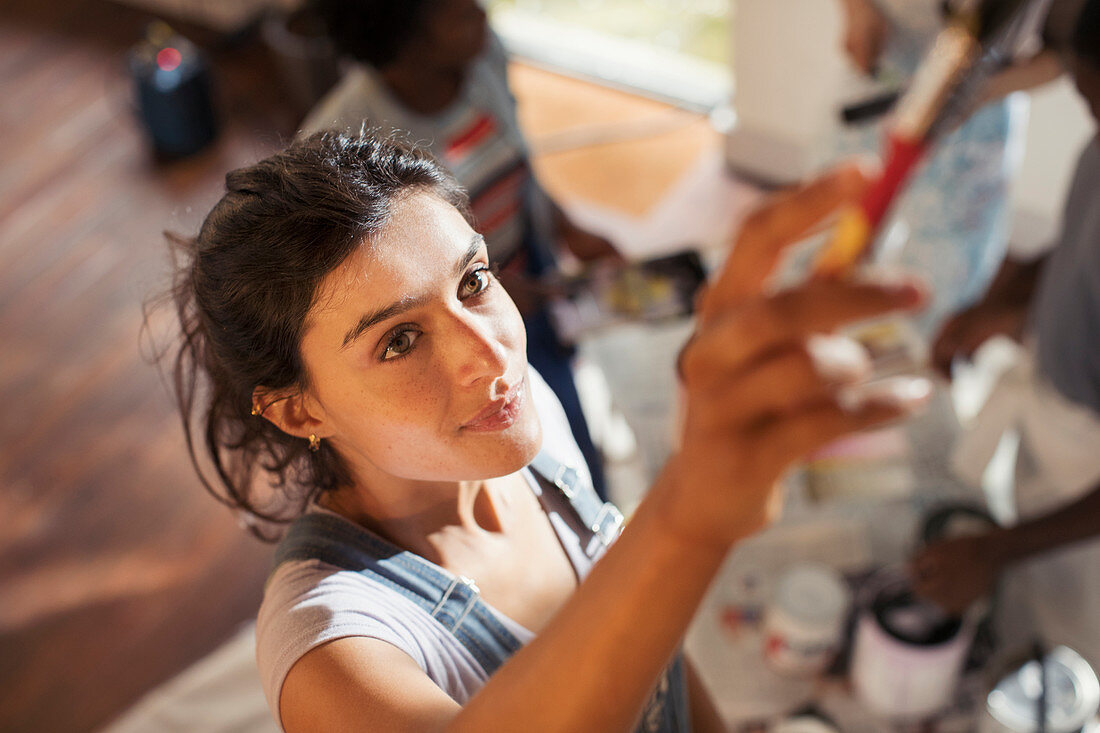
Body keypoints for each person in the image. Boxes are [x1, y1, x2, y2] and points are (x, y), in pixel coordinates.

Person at [164, 130, 929, 732]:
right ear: (301, 410)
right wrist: (686, 515)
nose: (490, 353)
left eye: (473, 282)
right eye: (399, 340)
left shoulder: (525, 428)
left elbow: (652, 651)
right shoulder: (330, 647)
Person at [298, 0, 617, 500]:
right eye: (460, 12)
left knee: (561, 405)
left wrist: (564, 224)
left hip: (525, 264)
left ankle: (594, 505)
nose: (482, 14)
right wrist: (483, 286)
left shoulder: (484, 58)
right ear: (406, 38)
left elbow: (516, 157)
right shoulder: (341, 146)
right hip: (460, 313)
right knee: (507, 435)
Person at [912, 0, 1100, 668]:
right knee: (1022, 601)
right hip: (1053, 408)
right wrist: (1010, 298)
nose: (1087, 117)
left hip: (1087, 488)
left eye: (1089, 94)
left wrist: (996, 549)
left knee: (1066, 645)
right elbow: (1081, 244)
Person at [829, 0, 1043, 336]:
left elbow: (1066, 53)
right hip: (880, 81)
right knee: (828, 239)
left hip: (976, 115)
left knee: (938, 286)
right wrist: (857, 10)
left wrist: (964, 89)